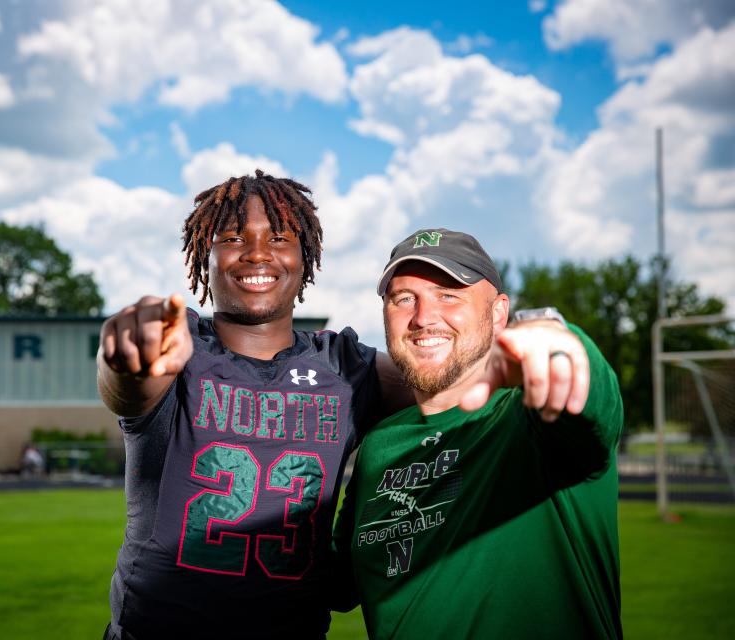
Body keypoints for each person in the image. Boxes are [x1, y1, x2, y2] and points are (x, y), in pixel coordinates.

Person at [97, 170, 413, 639]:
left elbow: (452, 387)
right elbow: (128, 385)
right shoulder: (180, 346)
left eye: (280, 238)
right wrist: (126, 354)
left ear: (306, 260)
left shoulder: (347, 368)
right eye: (232, 238)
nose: (258, 253)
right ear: (204, 259)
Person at [334, 228, 623, 639]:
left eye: (449, 294)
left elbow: (591, 402)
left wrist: (560, 343)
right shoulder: (379, 446)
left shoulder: (531, 421)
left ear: (499, 313)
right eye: (404, 298)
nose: (422, 317)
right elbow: (328, 582)